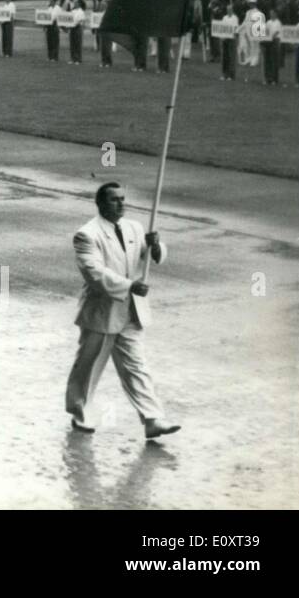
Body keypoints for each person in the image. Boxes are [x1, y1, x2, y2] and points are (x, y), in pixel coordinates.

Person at [65, 183, 180, 440]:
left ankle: (152, 419)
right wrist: (130, 286)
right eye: (114, 200)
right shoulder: (86, 234)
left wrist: (156, 246)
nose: (121, 204)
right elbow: (93, 273)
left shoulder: (135, 227)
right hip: (102, 312)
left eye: (123, 199)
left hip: (131, 311)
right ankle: (80, 411)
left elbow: (150, 257)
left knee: (136, 366)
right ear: (100, 203)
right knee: (89, 365)